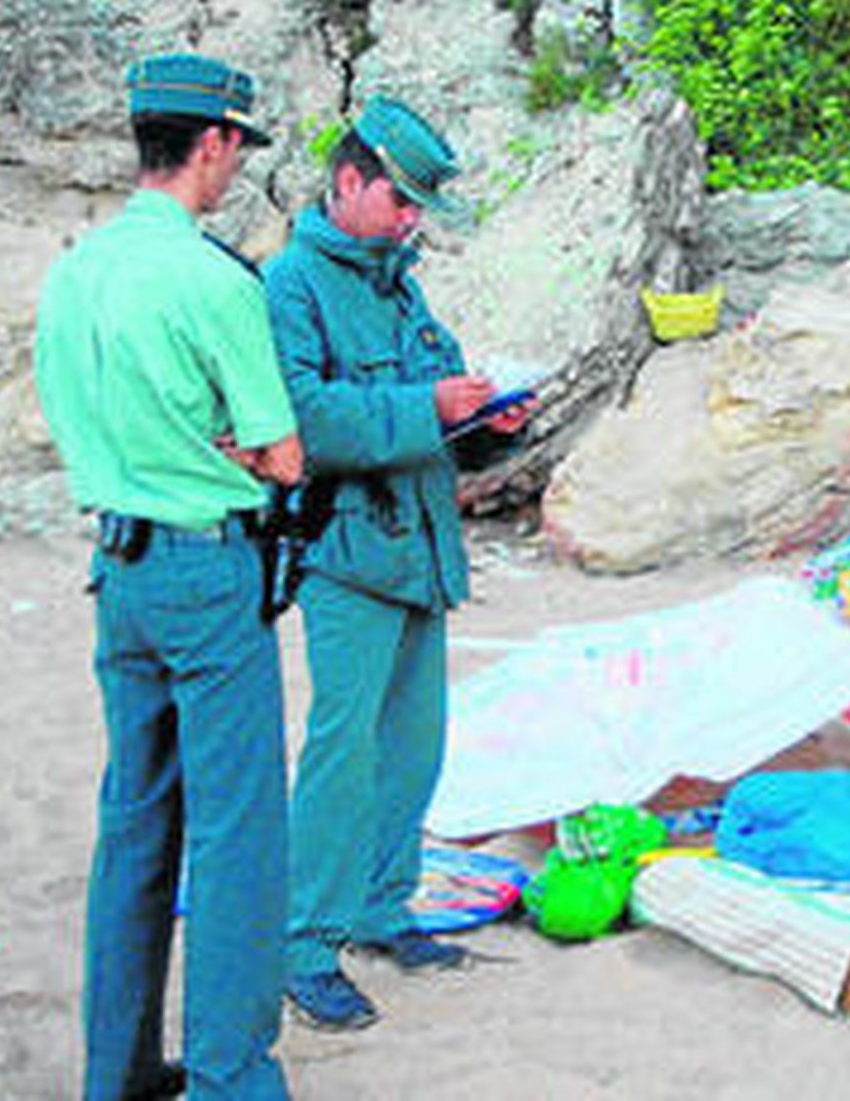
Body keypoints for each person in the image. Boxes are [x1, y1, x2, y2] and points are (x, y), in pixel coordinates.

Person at [33, 53, 302, 1100]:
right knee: (238, 833)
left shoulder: (77, 271)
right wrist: (230, 450)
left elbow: (73, 421)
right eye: (237, 147)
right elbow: (282, 455)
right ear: (217, 143)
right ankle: (235, 1074)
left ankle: (120, 1071)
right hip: (203, 568)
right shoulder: (210, 277)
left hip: (120, 563)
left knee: (134, 821)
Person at [263, 95, 530, 1030]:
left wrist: (488, 427)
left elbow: (441, 412)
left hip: (419, 552)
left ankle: (382, 911)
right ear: (348, 182)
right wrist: (430, 408)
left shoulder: (400, 284)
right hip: (345, 559)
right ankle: (304, 945)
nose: (412, 219)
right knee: (341, 756)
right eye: (402, 201)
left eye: (420, 206)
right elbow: (302, 419)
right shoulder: (291, 285)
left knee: (413, 749)